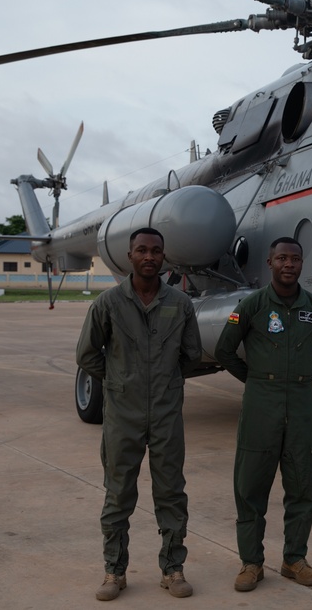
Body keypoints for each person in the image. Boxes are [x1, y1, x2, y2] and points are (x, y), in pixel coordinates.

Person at [76, 227, 203, 601]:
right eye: (142, 250)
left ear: (164, 258)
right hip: (122, 416)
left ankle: (172, 569)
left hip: (166, 414)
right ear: (130, 256)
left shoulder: (179, 304)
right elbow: (86, 354)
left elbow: (191, 356)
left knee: (171, 493)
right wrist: (120, 382)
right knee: (118, 495)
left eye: (156, 251)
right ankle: (114, 571)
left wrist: (164, 384)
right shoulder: (108, 303)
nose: (149, 257)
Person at [214, 237, 312, 592]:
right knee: (250, 485)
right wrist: (256, 380)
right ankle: (251, 563)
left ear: (302, 264)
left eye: (296, 259)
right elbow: (225, 349)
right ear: (269, 262)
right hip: (260, 403)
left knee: (302, 484)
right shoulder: (252, 305)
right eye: (282, 258)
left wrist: (303, 379)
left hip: (301, 404)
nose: (289, 264)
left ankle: (294, 559)